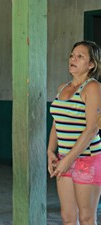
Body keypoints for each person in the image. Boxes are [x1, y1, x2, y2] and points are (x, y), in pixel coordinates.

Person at [47, 40, 101, 225]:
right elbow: (57, 121)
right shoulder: (62, 87)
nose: (73, 59)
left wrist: (68, 160)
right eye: (72, 55)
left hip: (87, 159)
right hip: (64, 157)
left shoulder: (93, 87)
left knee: (86, 218)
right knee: (68, 217)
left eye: (80, 56)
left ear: (91, 64)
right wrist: (50, 151)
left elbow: (92, 128)